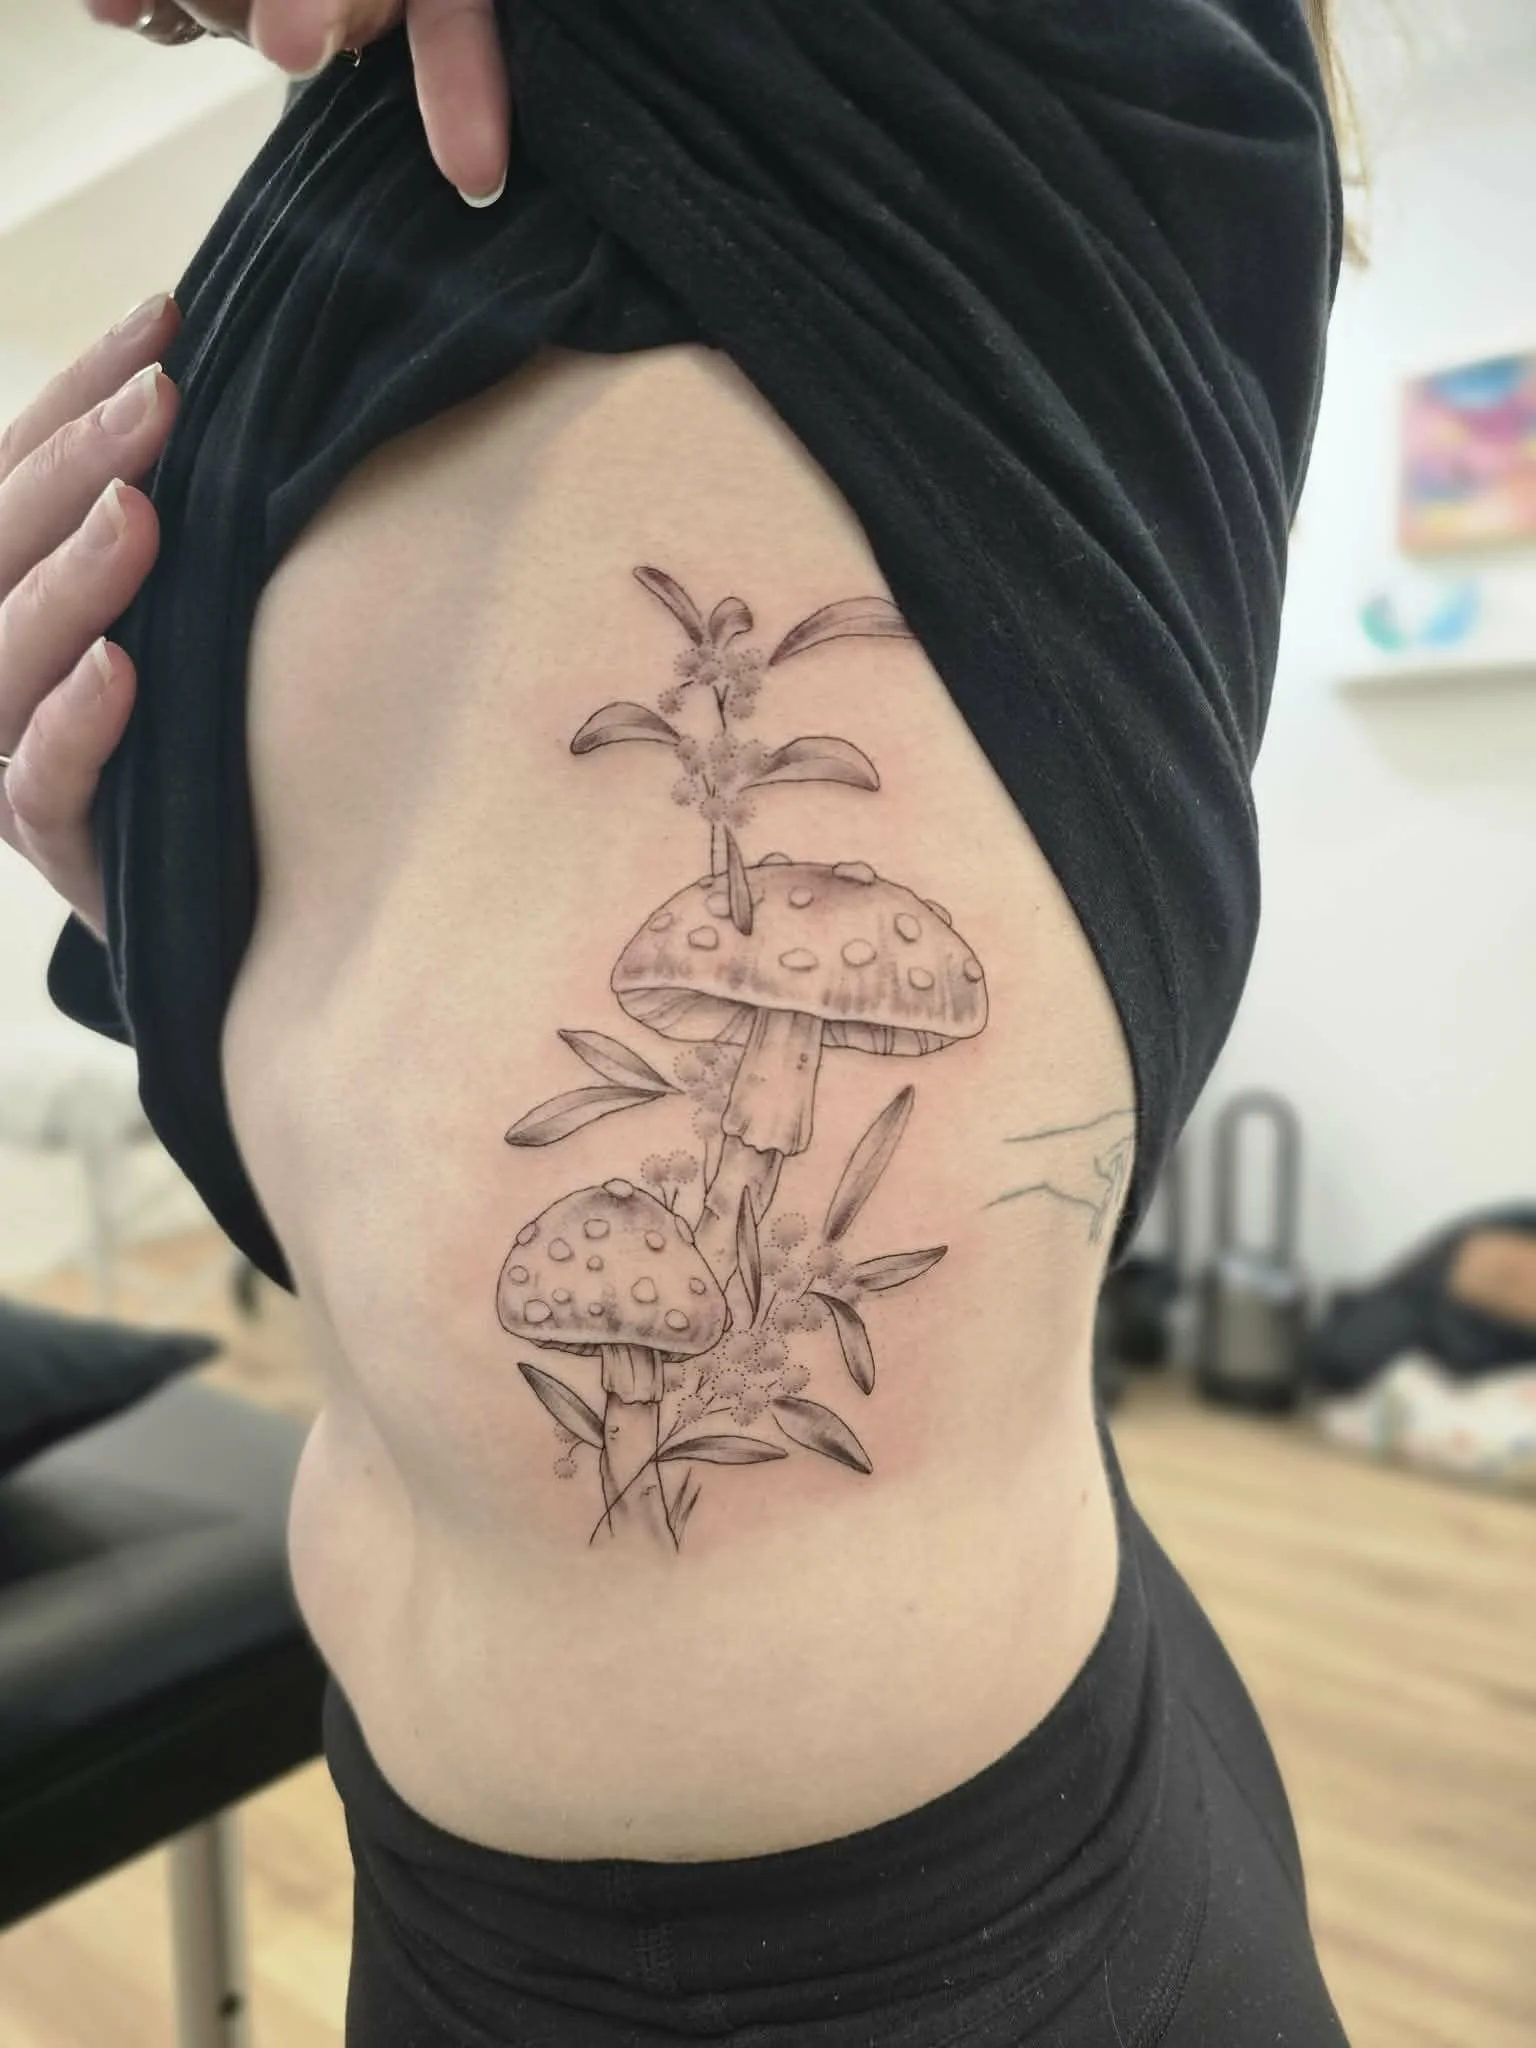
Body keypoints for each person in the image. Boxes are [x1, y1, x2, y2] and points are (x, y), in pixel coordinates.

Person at [1, 4, 1357, 2041]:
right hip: (469, 1875)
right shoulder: (463, 125)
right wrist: (205, 940)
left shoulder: (966, 79)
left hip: (891, 1962)